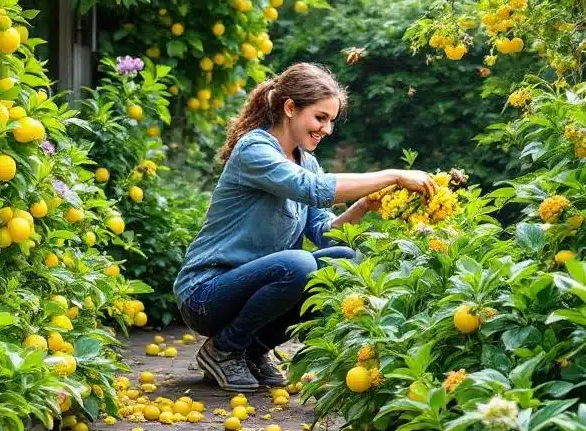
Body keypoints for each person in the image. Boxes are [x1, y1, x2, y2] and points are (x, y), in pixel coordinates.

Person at [173, 63, 437, 390]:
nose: (327, 129)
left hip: (250, 288)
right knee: (298, 264)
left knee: (343, 262)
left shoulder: (307, 161)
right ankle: (225, 349)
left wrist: (363, 205)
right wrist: (393, 175)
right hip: (205, 294)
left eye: (331, 121)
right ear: (290, 108)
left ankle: (252, 350)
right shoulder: (255, 149)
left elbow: (325, 234)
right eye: (320, 118)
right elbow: (313, 189)